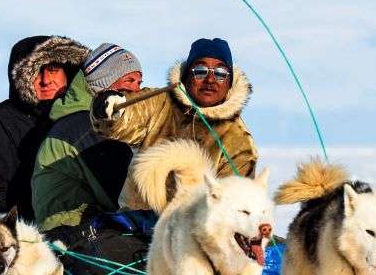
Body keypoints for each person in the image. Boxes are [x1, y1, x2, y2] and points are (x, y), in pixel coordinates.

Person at [91, 37, 258, 178]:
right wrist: (113, 107)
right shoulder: (160, 102)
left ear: (230, 83)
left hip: (196, 217)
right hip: (137, 214)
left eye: (221, 73)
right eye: (200, 70)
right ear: (186, 76)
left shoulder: (239, 140)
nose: (210, 79)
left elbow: (234, 202)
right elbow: (131, 113)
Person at [0, 34, 88, 219]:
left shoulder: (87, 118)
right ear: (22, 78)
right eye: (36, 72)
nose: (46, 80)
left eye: (53, 70)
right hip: (23, 233)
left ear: (68, 73)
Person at [31, 43, 144, 239]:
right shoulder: (83, 126)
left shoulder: (92, 124)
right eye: (129, 80)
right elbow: (118, 193)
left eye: (140, 83)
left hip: (89, 233)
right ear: (103, 83)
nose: (137, 90)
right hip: (72, 240)